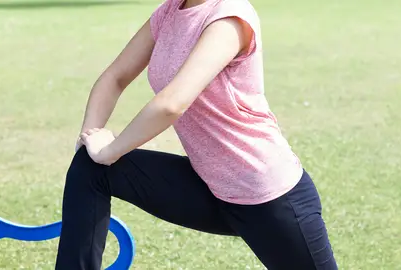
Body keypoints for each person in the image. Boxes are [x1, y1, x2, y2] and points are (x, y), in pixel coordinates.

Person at [55, 0, 337, 269]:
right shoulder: (170, 11)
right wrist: (88, 141)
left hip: (267, 195)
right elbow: (114, 77)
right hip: (208, 188)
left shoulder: (229, 17)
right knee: (90, 169)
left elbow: (172, 104)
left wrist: (110, 150)